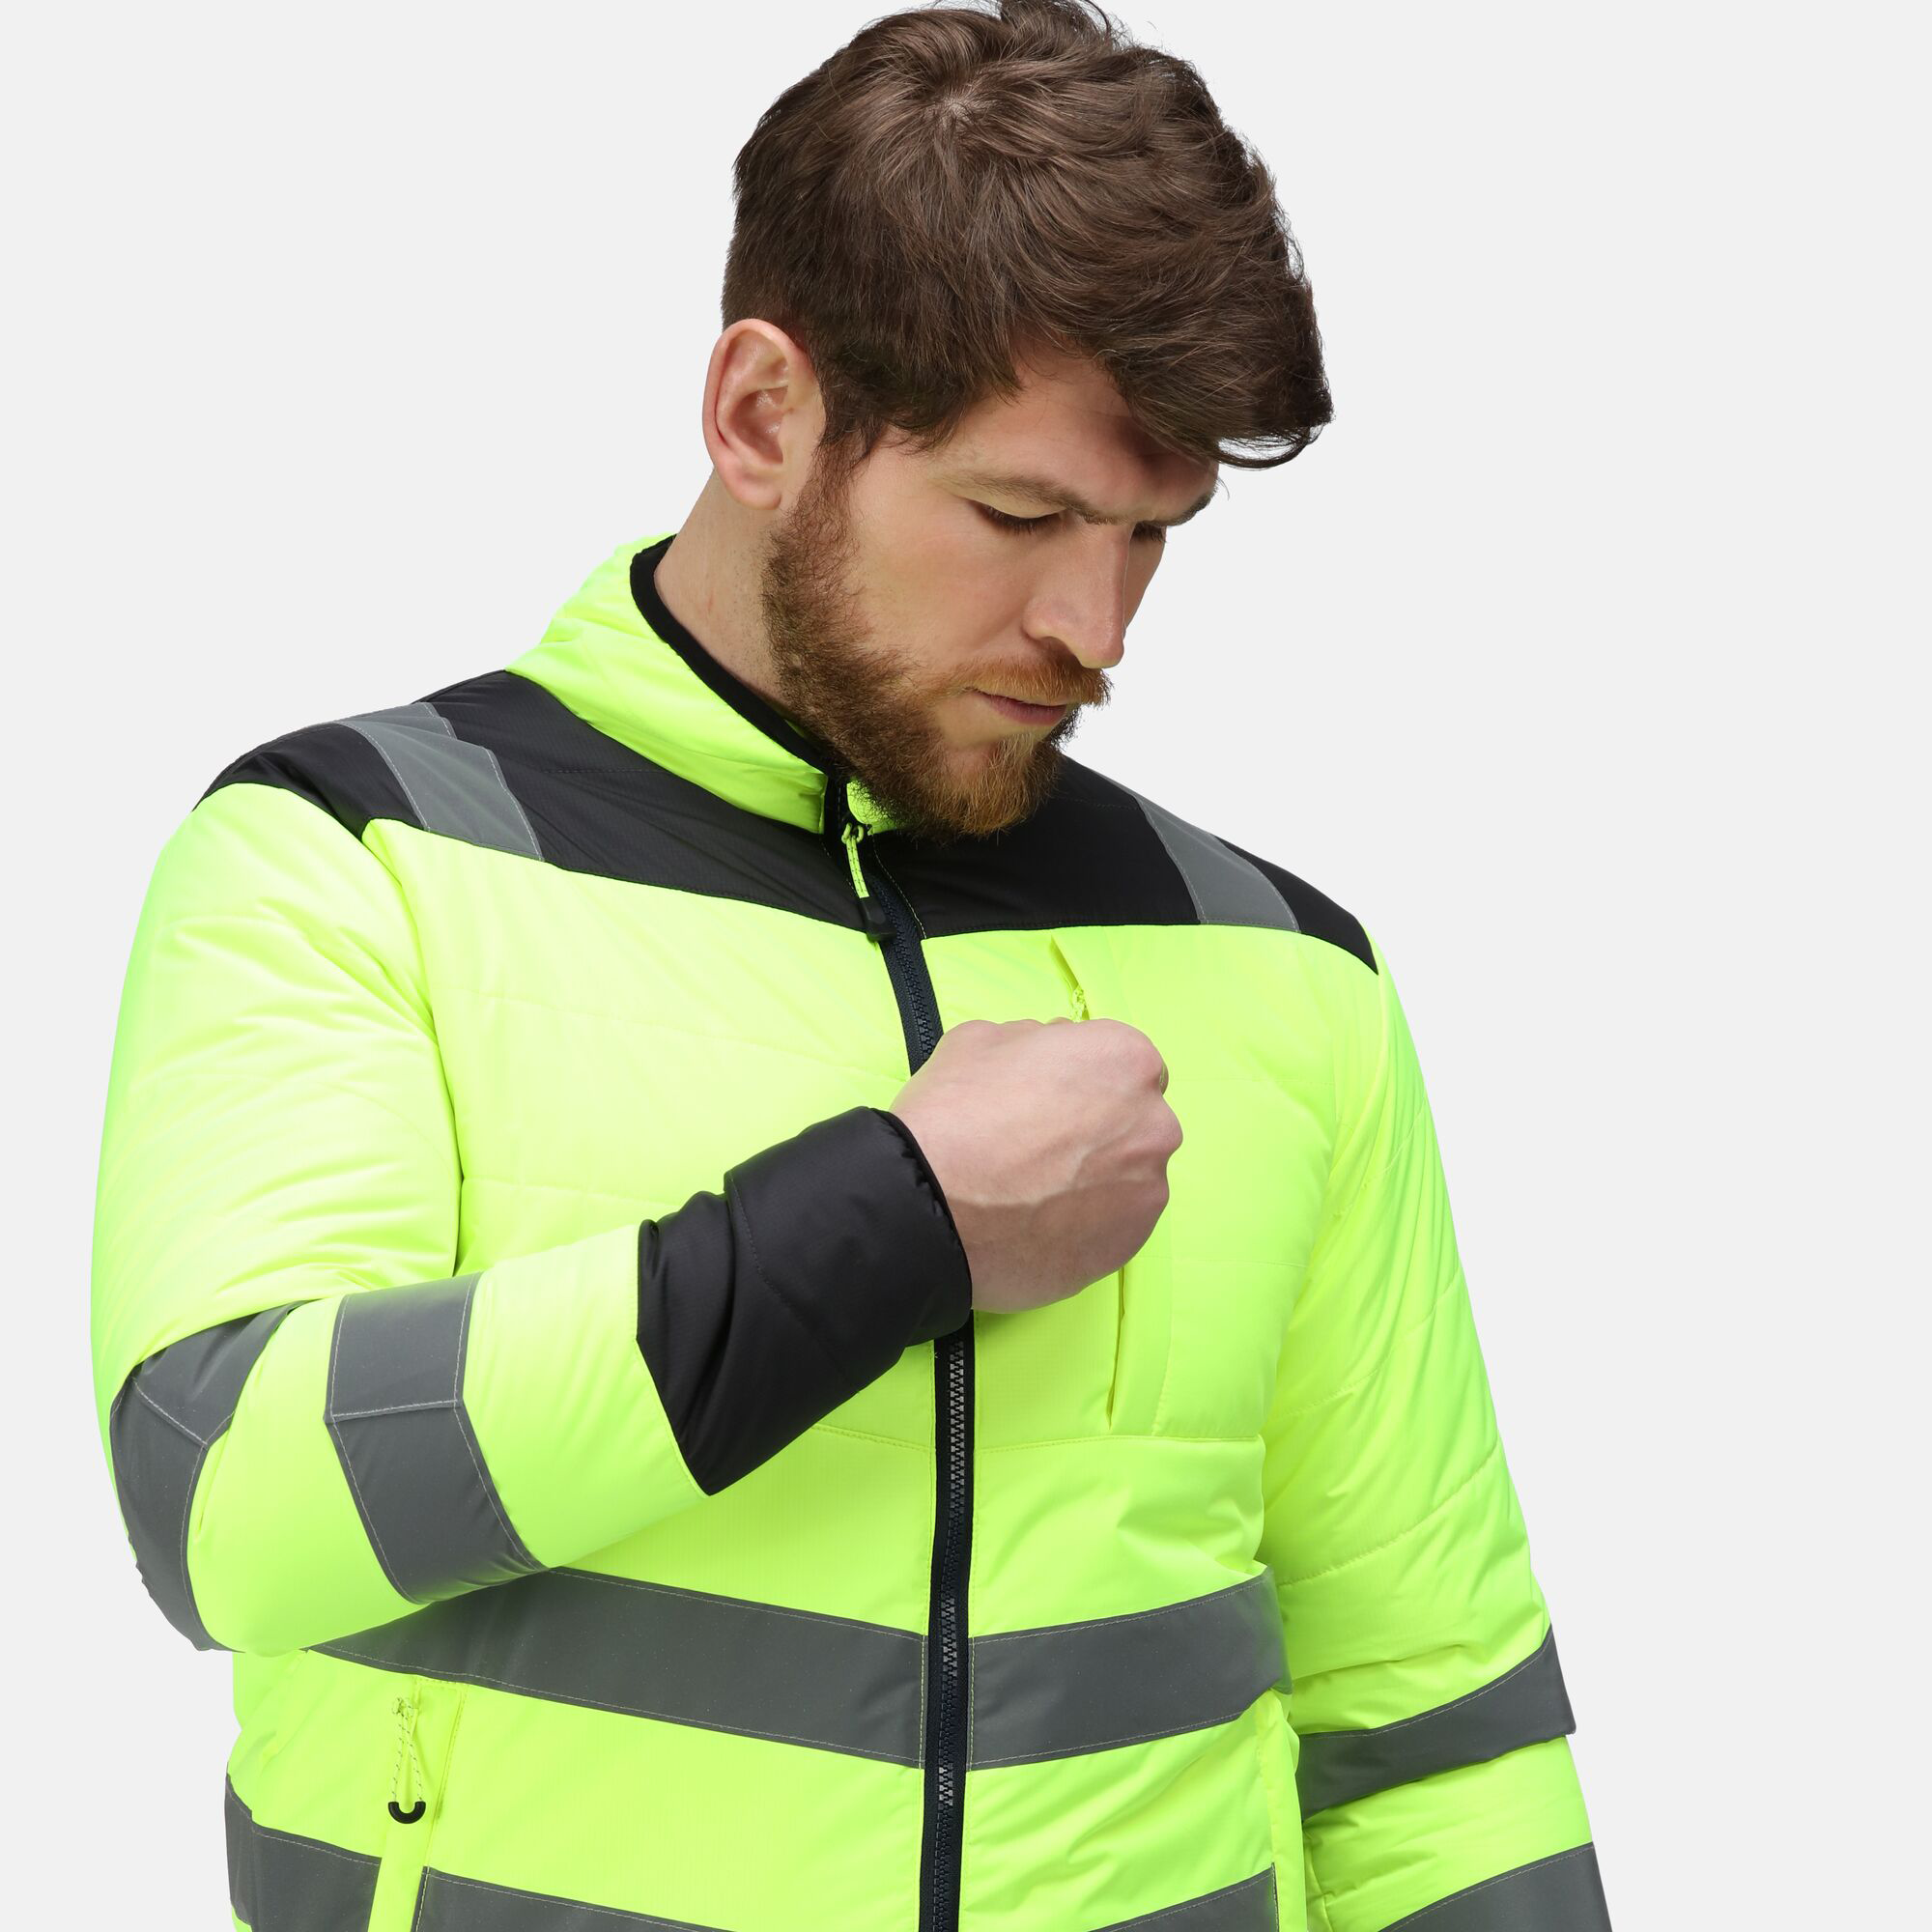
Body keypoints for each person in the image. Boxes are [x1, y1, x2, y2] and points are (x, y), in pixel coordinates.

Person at [89, 3, 1609, 1928]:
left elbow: (1431, 1720)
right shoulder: (360, 865)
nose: (1096, 626)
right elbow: (227, 1500)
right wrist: (886, 1221)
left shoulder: (1280, 969)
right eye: (1018, 514)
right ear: (760, 416)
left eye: (1152, 536)